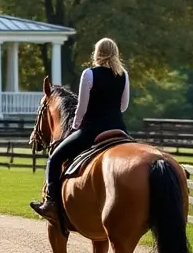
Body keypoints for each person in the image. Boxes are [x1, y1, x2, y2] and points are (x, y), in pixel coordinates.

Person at [31, 37, 130, 220]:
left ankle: (51, 203)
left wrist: (75, 126)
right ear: (115, 53)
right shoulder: (123, 75)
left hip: (92, 131)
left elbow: (82, 108)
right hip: (119, 130)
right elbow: (123, 106)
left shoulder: (89, 74)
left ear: (97, 53)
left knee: (55, 158)